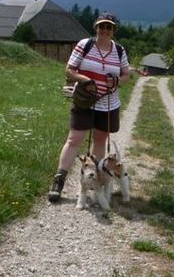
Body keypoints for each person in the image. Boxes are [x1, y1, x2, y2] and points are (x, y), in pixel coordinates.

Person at [48, 11, 130, 202]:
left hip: (108, 103)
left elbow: (126, 75)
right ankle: (58, 181)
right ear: (96, 27)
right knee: (74, 139)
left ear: (113, 30)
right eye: (102, 26)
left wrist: (117, 80)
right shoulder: (84, 45)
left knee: (100, 141)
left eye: (109, 27)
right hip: (84, 100)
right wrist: (84, 79)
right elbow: (69, 70)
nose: (105, 29)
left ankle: (95, 181)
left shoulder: (119, 50)